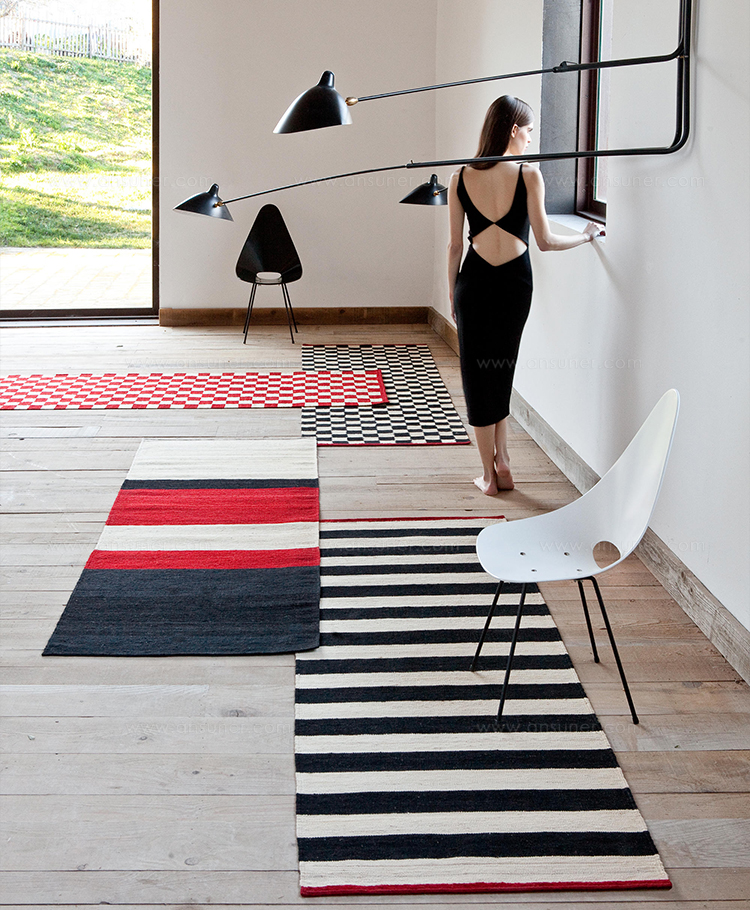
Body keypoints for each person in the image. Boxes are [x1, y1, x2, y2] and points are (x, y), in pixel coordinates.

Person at [448, 95, 603, 495]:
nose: (531, 139)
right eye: (529, 131)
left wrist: (451, 293)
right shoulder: (529, 175)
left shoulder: (459, 177)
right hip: (515, 284)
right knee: (502, 367)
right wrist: (586, 236)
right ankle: (502, 460)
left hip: (473, 283)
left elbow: (454, 247)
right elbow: (546, 241)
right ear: (513, 129)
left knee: (477, 376)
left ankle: (488, 475)